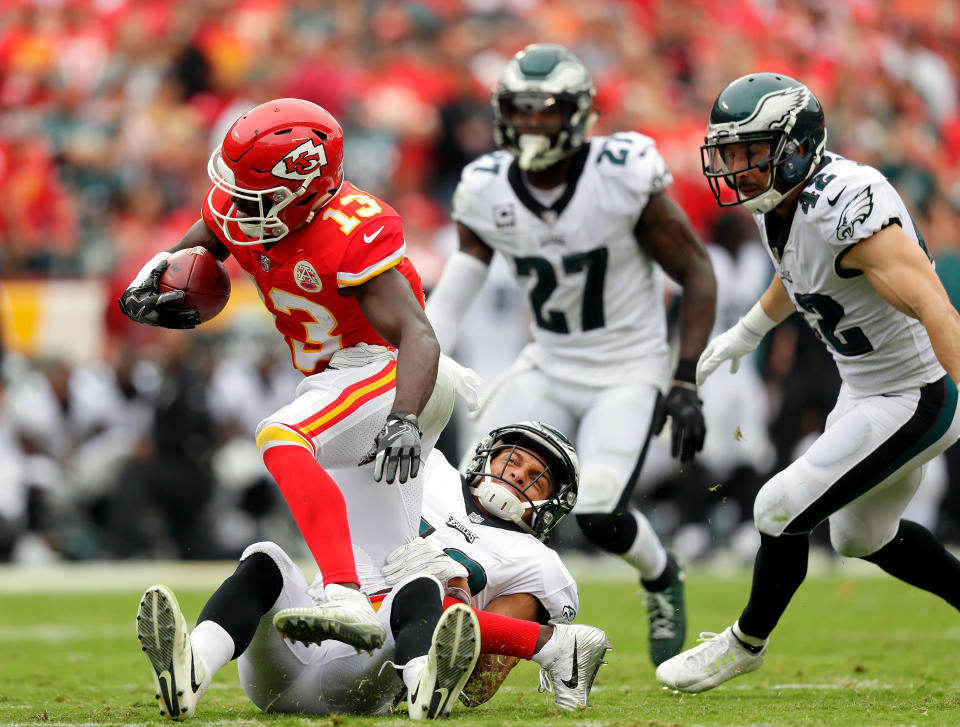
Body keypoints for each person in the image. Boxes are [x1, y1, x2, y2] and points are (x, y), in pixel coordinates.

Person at [119, 98, 471, 653]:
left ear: (305, 190)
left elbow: (418, 336)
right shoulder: (249, 206)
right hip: (334, 379)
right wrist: (157, 277)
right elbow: (201, 243)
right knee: (396, 562)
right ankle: (543, 646)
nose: (235, 204)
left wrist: (404, 418)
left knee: (282, 437)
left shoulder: (351, 230)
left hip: (391, 370)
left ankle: (342, 594)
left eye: (253, 194)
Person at [656, 72, 960, 694]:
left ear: (796, 144)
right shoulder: (785, 202)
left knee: (776, 507)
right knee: (860, 535)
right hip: (866, 387)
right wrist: (746, 332)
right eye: (731, 153)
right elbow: (801, 273)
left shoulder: (846, 203)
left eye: (751, 152)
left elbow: (935, 307)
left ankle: (744, 643)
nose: (736, 168)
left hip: (916, 393)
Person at [425, 43, 717, 665]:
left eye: (545, 110)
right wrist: (413, 366)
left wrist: (685, 379)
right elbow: (452, 297)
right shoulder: (486, 187)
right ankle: (473, 637)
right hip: (549, 365)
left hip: (628, 370)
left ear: (578, 114)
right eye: (520, 111)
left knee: (600, 514)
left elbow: (695, 268)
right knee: (487, 501)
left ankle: (662, 577)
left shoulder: (621, 172)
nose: (531, 124)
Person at [136, 422, 610, 720]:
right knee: (266, 558)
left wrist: (458, 597)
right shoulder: (431, 466)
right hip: (299, 641)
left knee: (419, 582)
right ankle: (191, 667)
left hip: (369, 671)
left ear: (553, 503)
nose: (516, 477)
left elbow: (480, 684)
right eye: (514, 461)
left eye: (534, 477)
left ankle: (429, 685)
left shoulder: (538, 562)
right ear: (488, 453)